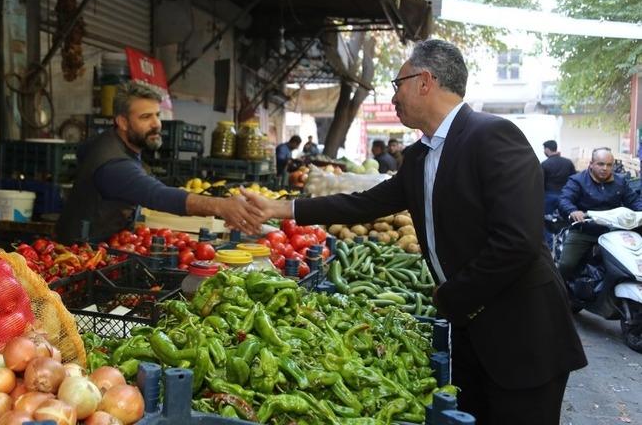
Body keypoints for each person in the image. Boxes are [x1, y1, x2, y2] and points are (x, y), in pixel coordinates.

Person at [243, 39, 586, 425]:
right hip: (471, 331)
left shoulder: (492, 135)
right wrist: (282, 209)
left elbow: (517, 241)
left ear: (425, 82)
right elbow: (364, 204)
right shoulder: (420, 155)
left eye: (398, 84)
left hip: (523, 334)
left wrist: (451, 295)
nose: (393, 97)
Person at [56, 81, 262, 243]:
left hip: (100, 241)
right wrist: (220, 206)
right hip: (81, 253)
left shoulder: (110, 141)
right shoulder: (113, 165)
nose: (156, 124)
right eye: (145, 117)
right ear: (122, 122)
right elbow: (157, 195)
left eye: (157, 115)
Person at [556, 147, 642, 280]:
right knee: (566, 265)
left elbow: (634, 201)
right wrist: (573, 211)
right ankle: (564, 290)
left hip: (614, 232)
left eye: (609, 165)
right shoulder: (577, 180)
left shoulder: (620, 182)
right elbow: (564, 199)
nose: (605, 168)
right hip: (585, 231)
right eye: (600, 164)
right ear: (591, 164)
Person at [541, 140, 576, 246]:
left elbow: (540, 182)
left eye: (544, 149)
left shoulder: (544, 164)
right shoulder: (568, 162)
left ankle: (549, 244)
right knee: (567, 219)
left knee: (546, 220)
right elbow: (574, 179)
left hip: (549, 195)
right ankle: (565, 242)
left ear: (547, 149)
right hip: (565, 195)